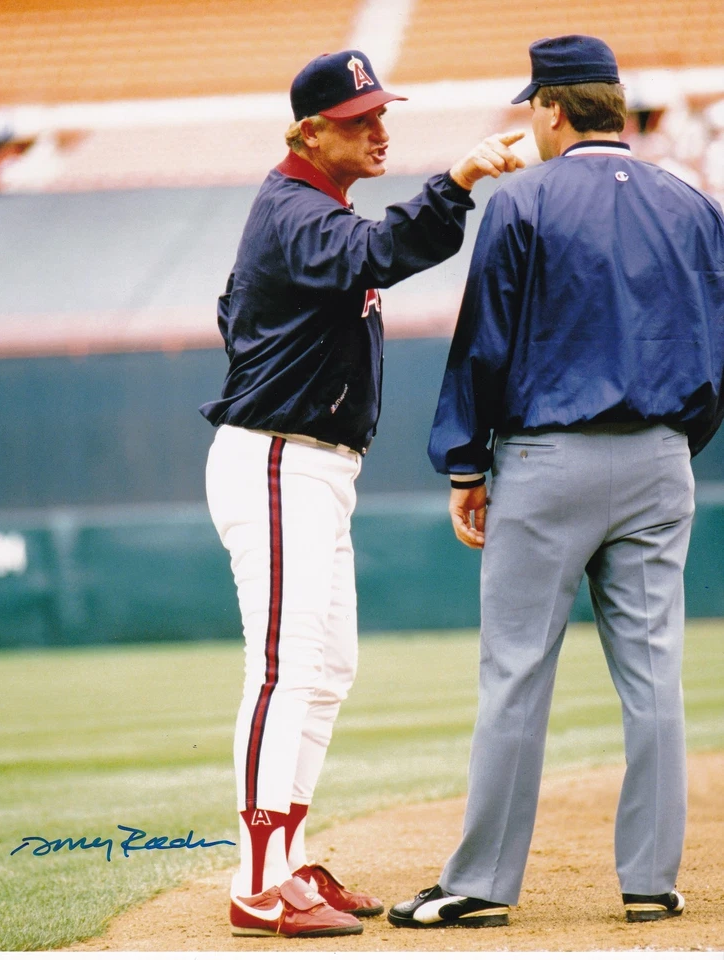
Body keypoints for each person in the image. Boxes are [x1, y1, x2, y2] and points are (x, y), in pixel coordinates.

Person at [390, 34, 724, 931]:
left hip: (548, 461)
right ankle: (651, 881)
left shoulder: (523, 199)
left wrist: (465, 462)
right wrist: (674, 442)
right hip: (661, 459)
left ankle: (482, 885)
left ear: (552, 107)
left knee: (515, 674)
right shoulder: (694, 204)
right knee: (655, 676)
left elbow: (484, 342)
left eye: (530, 106)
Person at [200, 49, 525, 938]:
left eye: (382, 112)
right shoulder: (292, 206)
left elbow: (239, 309)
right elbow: (383, 250)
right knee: (283, 672)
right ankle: (261, 883)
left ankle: (288, 860)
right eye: (358, 119)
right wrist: (456, 179)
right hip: (276, 456)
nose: (380, 128)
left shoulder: (309, 215)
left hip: (309, 462)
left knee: (325, 669)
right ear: (308, 131)